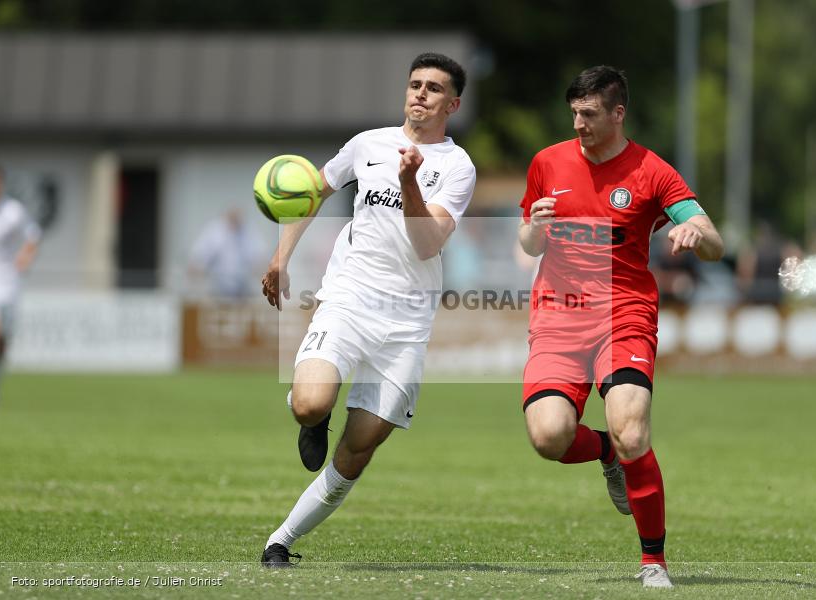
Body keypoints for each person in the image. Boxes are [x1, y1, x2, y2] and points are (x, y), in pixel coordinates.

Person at [258, 53, 475, 567]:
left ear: (452, 103)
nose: (420, 93)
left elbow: (427, 245)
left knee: (357, 449)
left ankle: (280, 541)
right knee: (311, 404)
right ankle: (312, 418)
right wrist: (280, 258)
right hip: (349, 298)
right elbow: (310, 192)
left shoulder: (457, 166)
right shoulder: (366, 144)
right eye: (415, 84)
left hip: (405, 324)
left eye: (434, 88)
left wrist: (408, 183)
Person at [518, 66, 724, 588]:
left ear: (617, 113)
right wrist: (534, 230)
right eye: (574, 114)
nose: (579, 124)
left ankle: (653, 562)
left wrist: (697, 233)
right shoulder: (547, 162)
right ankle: (605, 453)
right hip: (559, 314)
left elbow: (714, 241)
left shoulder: (653, 172)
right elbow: (527, 242)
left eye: (588, 115)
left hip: (624, 314)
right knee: (549, 437)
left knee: (632, 429)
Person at [0, 165, 41, 403]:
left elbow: (33, 235)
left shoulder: (14, 211)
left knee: (3, 338)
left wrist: (25, 256)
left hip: (8, 281)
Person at [188, 208, 266, 300]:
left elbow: (260, 259)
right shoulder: (213, 231)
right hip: (217, 286)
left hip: (243, 287)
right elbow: (198, 258)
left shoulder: (248, 232)